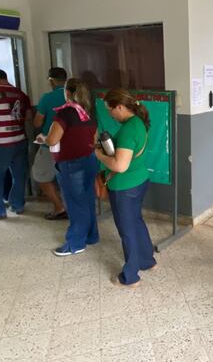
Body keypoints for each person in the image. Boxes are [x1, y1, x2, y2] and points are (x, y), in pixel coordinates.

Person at [95, 88, 155, 287]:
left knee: (126, 230)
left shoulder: (129, 129)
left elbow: (120, 166)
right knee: (136, 221)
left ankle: (130, 276)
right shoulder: (138, 122)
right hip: (139, 181)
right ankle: (147, 260)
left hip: (124, 187)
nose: (110, 114)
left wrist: (100, 155)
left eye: (110, 110)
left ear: (120, 107)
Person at [38, 78, 99, 256]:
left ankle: (75, 243)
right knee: (87, 199)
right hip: (89, 160)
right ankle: (91, 236)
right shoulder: (88, 112)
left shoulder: (65, 113)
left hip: (71, 164)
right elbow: (93, 139)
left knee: (74, 203)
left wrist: (43, 138)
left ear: (68, 93)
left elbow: (52, 140)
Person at [0, 69, 32, 220]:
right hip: (20, 140)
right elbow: (28, 116)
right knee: (19, 175)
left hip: (1, 143)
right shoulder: (21, 94)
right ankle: (18, 204)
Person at [33, 67, 68, 220]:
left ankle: (60, 207)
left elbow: (37, 122)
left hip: (51, 145)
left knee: (41, 176)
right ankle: (71, 207)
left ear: (51, 80)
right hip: (72, 146)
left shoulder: (47, 98)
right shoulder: (74, 96)